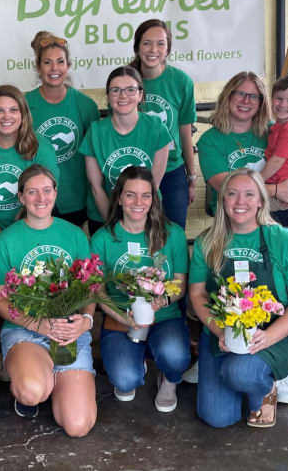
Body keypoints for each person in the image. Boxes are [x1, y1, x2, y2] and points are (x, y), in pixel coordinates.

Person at [0, 165, 97, 437]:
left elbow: (90, 289)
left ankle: (53, 378)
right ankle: (25, 370)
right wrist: (37, 324)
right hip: (26, 330)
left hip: (69, 332)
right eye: (32, 191)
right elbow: (0, 301)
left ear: (55, 193)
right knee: (33, 391)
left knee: (78, 426)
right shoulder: (4, 241)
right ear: (21, 197)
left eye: (47, 190)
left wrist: (85, 322)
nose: (41, 198)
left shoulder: (74, 235)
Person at [189, 168, 288, 428]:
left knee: (240, 372)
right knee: (217, 417)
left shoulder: (281, 239)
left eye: (249, 194)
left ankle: (265, 386)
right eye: (232, 194)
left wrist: (268, 337)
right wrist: (219, 331)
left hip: (271, 333)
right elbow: (197, 292)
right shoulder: (208, 241)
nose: (240, 201)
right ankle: (243, 376)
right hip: (223, 335)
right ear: (223, 200)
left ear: (260, 200)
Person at [91, 166, 189, 412]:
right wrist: (119, 315)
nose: (138, 202)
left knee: (176, 357)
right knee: (125, 381)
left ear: (154, 199)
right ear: (120, 198)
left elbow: (180, 285)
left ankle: (169, 378)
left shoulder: (172, 234)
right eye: (131, 194)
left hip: (164, 318)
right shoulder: (103, 238)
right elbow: (98, 290)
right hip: (121, 320)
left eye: (146, 195)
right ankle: (136, 363)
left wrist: (163, 300)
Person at [0, 84, 59, 259]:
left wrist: (21, 238)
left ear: (23, 115)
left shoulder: (42, 148)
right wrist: (4, 239)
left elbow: (47, 198)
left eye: (13, 110)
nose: (6, 116)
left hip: (35, 228)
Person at [79, 66, 171, 235]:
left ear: (140, 94)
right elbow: (96, 188)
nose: (123, 96)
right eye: (115, 90)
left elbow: (153, 185)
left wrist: (136, 223)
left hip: (145, 216)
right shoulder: (95, 132)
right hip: (104, 218)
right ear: (108, 96)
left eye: (130, 89)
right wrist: (114, 227)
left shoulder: (157, 129)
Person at [26, 31, 99, 227]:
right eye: (47, 62)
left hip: (75, 198)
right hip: (36, 201)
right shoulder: (24, 105)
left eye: (60, 62)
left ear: (68, 66)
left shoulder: (85, 106)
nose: (54, 68)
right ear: (38, 68)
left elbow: (95, 156)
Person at [129, 19, 197, 229]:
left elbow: (185, 133)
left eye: (160, 43)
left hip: (172, 172)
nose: (153, 49)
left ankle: (165, 264)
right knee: (139, 233)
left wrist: (191, 176)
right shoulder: (126, 79)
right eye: (147, 43)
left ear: (168, 49)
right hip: (136, 172)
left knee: (173, 233)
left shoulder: (181, 81)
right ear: (137, 47)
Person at [196, 71, 288, 216]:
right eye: (240, 94)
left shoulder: (274, 130)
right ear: (228, 96)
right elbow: (227, 188)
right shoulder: (210, 140)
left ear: (261, 102)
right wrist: (276, 190)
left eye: (253, 96)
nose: (246, 101)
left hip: (276, 211)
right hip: (234, 214)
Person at [260, 74, 288, 227]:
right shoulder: (278, 126)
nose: (283, 105)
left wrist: (257, 182)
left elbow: (277, 161)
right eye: (279, 98)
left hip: (285, 195)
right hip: (278, 189)